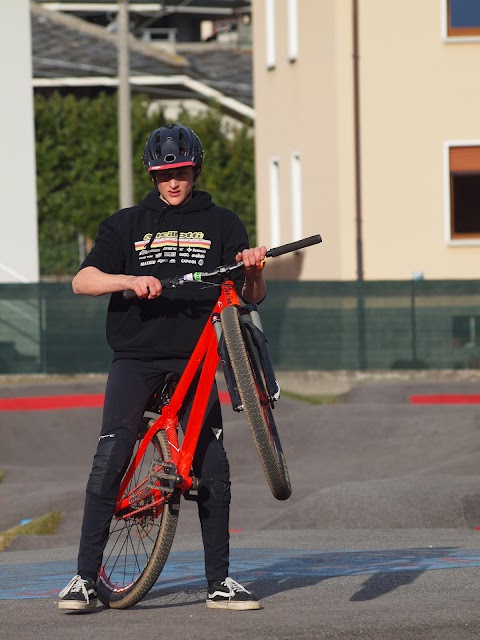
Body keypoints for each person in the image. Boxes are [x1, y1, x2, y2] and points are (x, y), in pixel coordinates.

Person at [58, 123, 267, 612]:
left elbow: (250, 297)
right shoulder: (126, 224)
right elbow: (81, 281)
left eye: (182, 172)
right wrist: (129, 280)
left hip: (196, 363)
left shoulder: (223, 223)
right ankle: (85, 580)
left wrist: (255, 268)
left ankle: (220, 583)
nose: (174, 182)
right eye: (165, 173)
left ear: (195, 170)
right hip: (136, 357)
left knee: (213, 466)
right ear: (153, 175)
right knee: (111, 456)